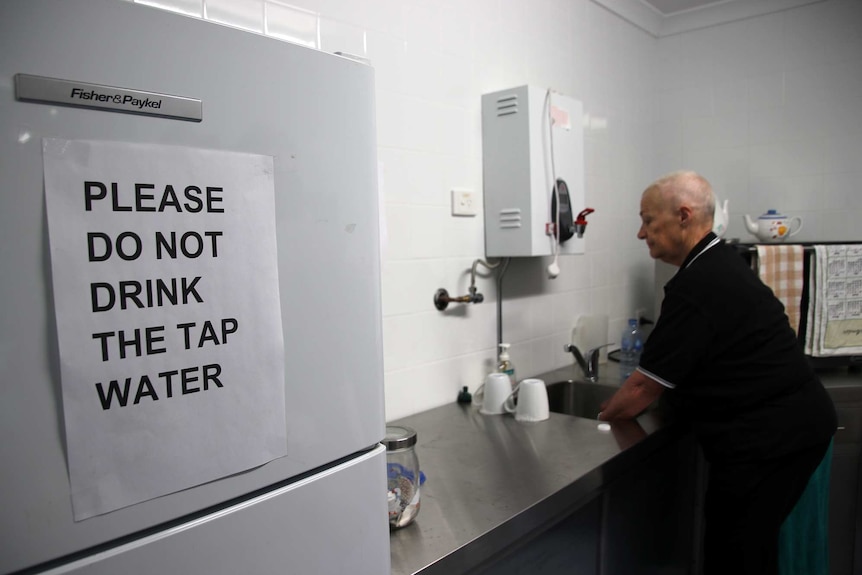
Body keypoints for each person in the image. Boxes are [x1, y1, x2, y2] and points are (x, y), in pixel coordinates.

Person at [598, 171, 836, 575]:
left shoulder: (697, 283)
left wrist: (600, 420)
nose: (641, 233)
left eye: (648, 220)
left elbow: (640, 389)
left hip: (772, 441)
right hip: (793, 429)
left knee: (735, 552)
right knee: (749, 547)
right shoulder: (717, 260)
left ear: (684, 216)